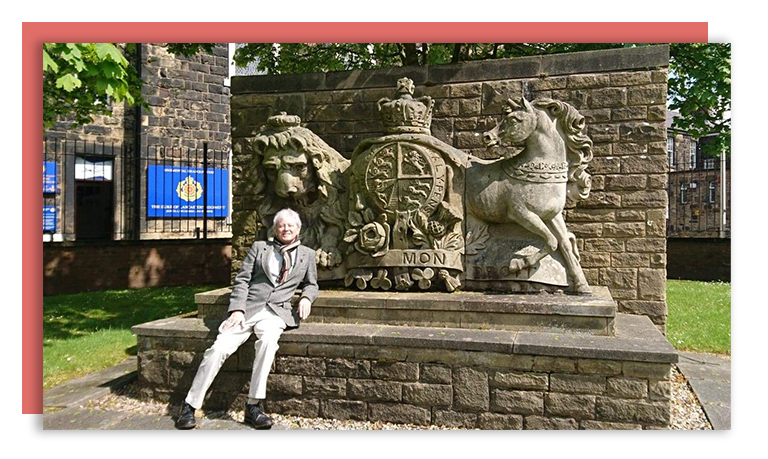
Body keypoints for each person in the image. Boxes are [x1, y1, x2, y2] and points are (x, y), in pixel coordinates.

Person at [175, 208, 318, 430]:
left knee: (269, 343)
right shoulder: (260, 248)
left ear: (298, 229)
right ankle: (190, 405)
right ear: (275, 228)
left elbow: (312, 284)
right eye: (281, 225)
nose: (286, 228)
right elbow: (241, 280)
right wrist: (237, 309)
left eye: (290, 225)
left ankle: (253, 406)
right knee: (219, 348)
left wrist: (307, 298)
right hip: (249, 309)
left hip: (277, 313)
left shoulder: (307, 254)